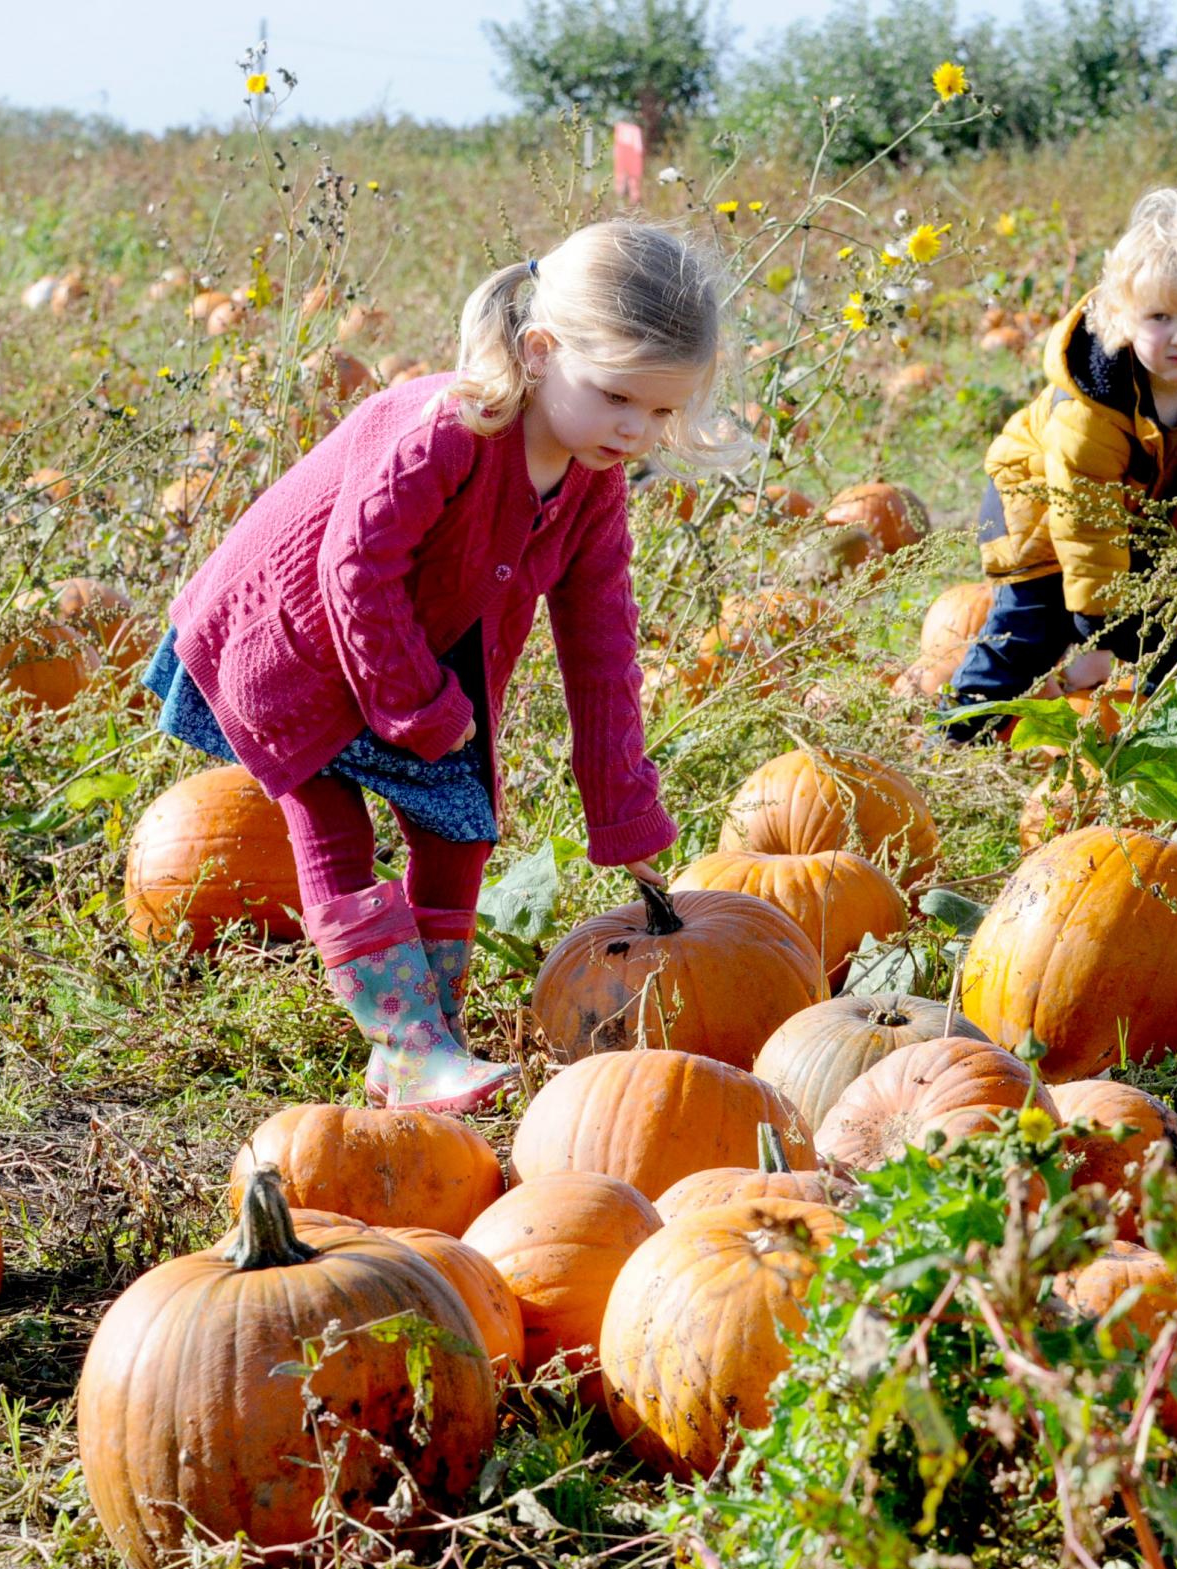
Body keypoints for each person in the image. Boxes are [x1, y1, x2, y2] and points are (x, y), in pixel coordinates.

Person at [144, 219, 740, 1114]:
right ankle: (412, 1043)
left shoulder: (592, 484)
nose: (637, 428)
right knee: (332, 822)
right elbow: (354, 568)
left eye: (661, 411)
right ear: (540, 353)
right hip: (293, 643)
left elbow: (603, 640)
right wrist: (417, 705)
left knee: (462, 829)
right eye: (618, 395)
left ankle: (427, 1051)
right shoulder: (448, 430)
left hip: (420, 659)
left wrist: (625, 805)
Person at [942, 187, 1177, 744]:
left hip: (1136, 510)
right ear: (1122, 315)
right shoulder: (1094, 399)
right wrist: (1102, 619)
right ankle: (959, 738)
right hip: (1043, 507)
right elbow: (1085, 516)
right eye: (1160, 316)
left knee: (1169, 637)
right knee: (1034, 630)